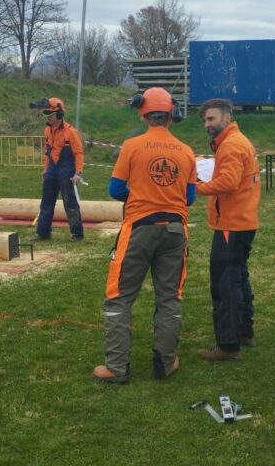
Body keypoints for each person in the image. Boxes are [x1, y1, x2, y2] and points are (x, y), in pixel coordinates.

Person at [93, 88, 197, 384]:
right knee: (169, 298)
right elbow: (189, 197)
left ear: (143, 113)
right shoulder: (186, 151)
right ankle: (166, 362)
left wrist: (141, 193)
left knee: (120, 297)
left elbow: (116, 189)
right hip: (175, 230)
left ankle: (117, 367)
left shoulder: (132, 146)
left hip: (139, 228)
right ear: (172, 115)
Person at [194, 98, 261, 362]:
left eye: (211, 119)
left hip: (231, 224)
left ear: (227, 117)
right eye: (205, 120)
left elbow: (228, 182)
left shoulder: (231, 145)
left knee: (225, 284)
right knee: (238, 278)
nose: (207, 125)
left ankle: (228, 344)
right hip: (242, 221)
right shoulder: (237, 141)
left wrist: (195, 188)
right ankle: (244, 332)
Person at [34, 97, 84, 241]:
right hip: (52, 170)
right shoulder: (47, 130)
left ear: (60, 114)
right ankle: (43, 233)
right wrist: (46, 169)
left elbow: (79, 153)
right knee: (46, 203)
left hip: (66, 170)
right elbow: (47, 152)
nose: (48, 117)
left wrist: (78, 173)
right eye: (46, 114)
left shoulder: (71, 132)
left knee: (70, 203)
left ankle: (77, 234)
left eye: (50, 114)